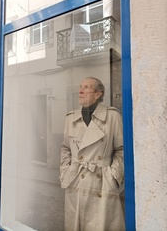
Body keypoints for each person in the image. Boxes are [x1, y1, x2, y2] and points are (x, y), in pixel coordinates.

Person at [60, 77, 125, 231]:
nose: (80, 91)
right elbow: (65, 148)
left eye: (87, 87)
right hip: (76, 180)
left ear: (98, 94)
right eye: (80, 86)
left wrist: (112, 176)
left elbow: (121, 150)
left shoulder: (112, 116)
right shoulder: (71, 118)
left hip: (102, 183)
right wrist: (65, 171)